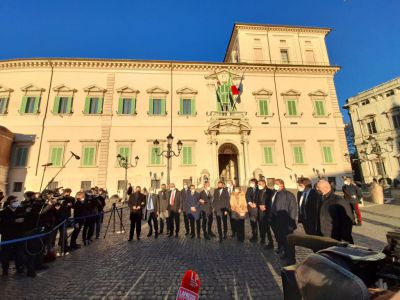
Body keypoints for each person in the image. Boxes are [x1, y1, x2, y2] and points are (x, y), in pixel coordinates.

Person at [0, 195, 35, 277]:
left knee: (19, 253)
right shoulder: (3, 212)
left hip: (19, 235)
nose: (16, 202)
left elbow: (28, 219)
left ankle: (20, 268)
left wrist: (28, 212)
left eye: (16, 200)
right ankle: (5, 270)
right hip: (7, 236)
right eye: (14, 201)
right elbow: (2, 224)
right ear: (9, 203)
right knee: (5, 254)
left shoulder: (21, 210)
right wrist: (14, 221)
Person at [316, 180, 355, 244]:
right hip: (324, 236)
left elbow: (348, 221)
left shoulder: (339, 200)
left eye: (318, 188)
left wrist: (344, 239)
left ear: (325, 188)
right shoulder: (321, 199)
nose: (317, 189)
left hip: (335, 237)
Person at [270, 179, 298, 265]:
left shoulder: (289, 194)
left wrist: (291, 223)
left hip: (286, 223)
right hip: (277, 221)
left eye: (276, 184)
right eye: (274, 184)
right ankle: (286, 254)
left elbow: (293, 209)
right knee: (282, 239)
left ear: (282, 184)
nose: (275, 185)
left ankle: (291, 259)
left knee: (289, 241)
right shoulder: (276, 193)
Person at [257, 179, 274, 249]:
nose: (258, 185)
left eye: (260, 184)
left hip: (267, 212)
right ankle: (262, 239)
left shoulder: (269, 191)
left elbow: (271, 201)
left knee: (267, 228)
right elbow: (257, 200)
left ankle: (271, 242)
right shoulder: (259, 191)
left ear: (264, 184)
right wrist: (259, 205)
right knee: (261, 226)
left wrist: (265, 207)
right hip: (260, 212)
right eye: (258, 184)